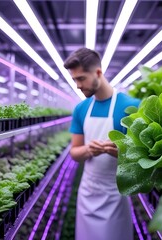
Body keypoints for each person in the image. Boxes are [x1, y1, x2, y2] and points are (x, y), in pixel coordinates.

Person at [64, 48, 140, 240]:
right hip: (88, 191)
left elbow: (142, 159)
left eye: (81, 78)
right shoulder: (81, 109)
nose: (78, 86)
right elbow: (74, 152)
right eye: (74, 80)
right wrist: (89, 149)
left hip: (116, 191)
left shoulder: (131, 106)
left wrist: (122, 153)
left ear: (98, 72)